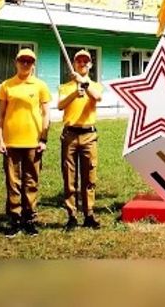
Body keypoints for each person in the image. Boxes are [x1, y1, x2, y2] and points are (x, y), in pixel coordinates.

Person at [0, 48, 52, 237]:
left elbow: (46, 114)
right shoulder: (7, 85)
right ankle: (15, 219)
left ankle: (29, 219)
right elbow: (0, 116)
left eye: (29, 61)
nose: (25, 64)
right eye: (22, 61)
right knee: (13, 182)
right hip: (11, 142)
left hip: (33, 142)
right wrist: (0, 140)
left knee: (31, 181)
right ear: (16, 62)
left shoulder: (40, 86)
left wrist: (44, 138)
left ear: (33, 64)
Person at [57, 50, 104, 230]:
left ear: (91, 64)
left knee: (89, 176)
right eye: (79, 61)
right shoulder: (65, 86)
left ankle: (89, 214)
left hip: (89, 135)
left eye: (86, 61)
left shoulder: (95, 85)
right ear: (74, 64)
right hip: (70, 134)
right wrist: (74, 94)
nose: (82, 63)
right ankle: (71, 215)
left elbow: (97, 97)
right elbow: (60, 105)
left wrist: (83, 83)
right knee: (69, 176)